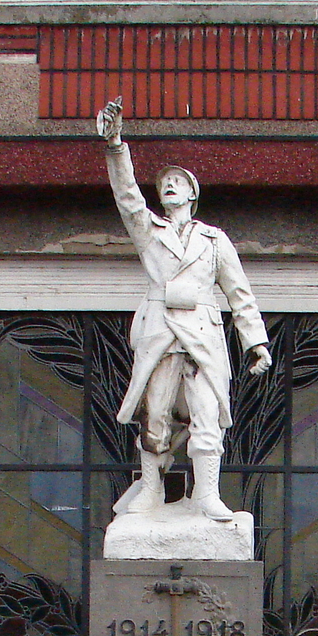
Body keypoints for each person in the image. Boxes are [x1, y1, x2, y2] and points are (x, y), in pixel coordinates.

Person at [96, 97, 272, 523]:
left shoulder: (214, 240)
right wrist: (116, 146)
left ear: (193, 193)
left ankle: (206, 494)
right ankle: (150, 490)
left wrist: (256, 343)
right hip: (160, 332)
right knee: (154, 416)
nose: (169, 186)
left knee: (207, 414)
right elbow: (127, 197)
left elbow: (239, 293)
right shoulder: (148, 230)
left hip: (203, 335)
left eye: (178, 181)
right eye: (165, 183)